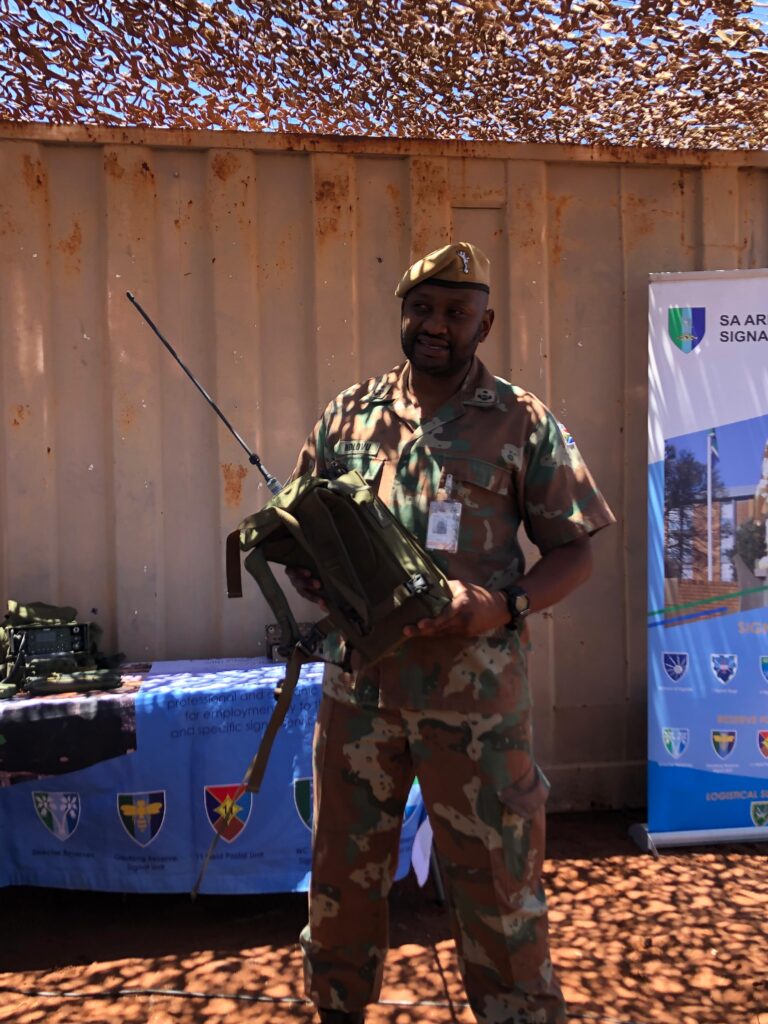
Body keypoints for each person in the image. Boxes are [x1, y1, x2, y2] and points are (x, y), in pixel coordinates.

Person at [287, 242, 615, 1024]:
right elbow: (307, 526)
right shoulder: (348, 415)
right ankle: (338, 1010)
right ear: (403, 312)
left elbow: (574, 553)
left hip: (475, 705)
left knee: (498, 890)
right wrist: (310, 572)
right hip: (361, 692)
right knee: (339, 884)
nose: (436, 325)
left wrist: (502, 606)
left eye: (456, 312)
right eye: (423, 308)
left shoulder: (522, 420)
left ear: (485, 322)